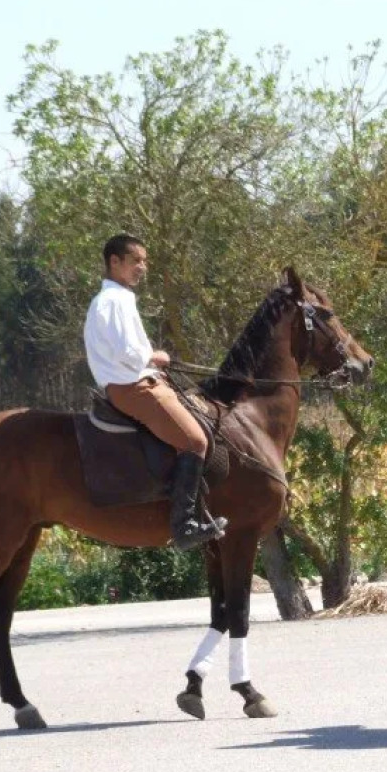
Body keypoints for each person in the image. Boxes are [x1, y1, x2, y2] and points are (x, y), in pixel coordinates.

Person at [83, 233, 226, 550]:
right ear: (114, 262)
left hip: (140, 381)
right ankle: (184, 525)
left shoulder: (117, 299)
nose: (142, 268)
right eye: (136, 261)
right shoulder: (113, 301)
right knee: (195, 440)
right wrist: (153, 356)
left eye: (144, 261)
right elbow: (127, 352)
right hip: (134, 388)